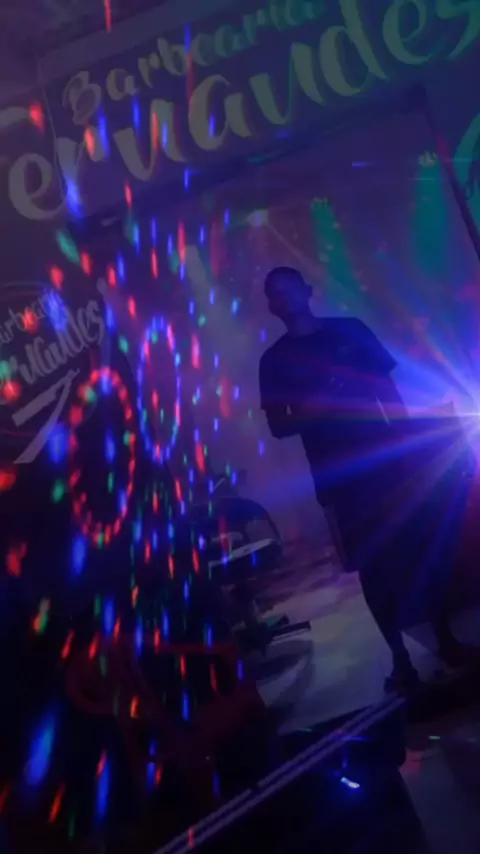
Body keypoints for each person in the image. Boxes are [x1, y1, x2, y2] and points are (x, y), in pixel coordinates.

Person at [258, 266, 473, 692]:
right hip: (339, 478)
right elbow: (278, 426)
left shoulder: (350, 331)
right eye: (275, 293)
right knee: (373, 567)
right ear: (271, 306)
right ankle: (401, 659)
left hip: (385, 463)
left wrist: (407, 448)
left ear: (307, 290)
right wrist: (316, 406)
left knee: (418, 552)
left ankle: (443, 639)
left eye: (288, 288)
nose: (284, 298)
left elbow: (388, 394)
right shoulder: (275, 361)